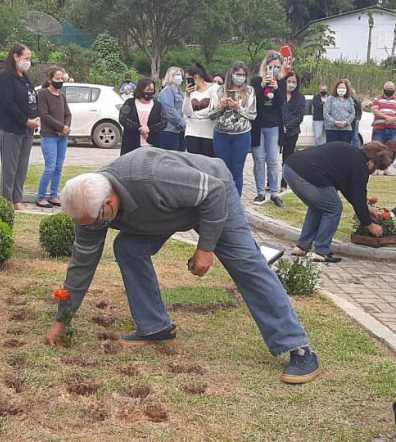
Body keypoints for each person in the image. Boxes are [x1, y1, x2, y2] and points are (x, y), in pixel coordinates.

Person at [45, 148, 322, 385]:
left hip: (214, 196)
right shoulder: (90, 211)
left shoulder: (150, 176)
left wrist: (205, 248)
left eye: (95, 221)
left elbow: (213, 191)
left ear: (108, 202)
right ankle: (155, 328)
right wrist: (62, 319)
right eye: (86, 224)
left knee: (248, 265)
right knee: (128, 248)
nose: (93, 228)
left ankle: (298, 349)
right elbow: (81, 264)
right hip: (167, 211)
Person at [285, 142, 392, 263]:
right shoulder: (360, 165)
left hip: (290, 167)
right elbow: (358, 194)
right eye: (376, 168)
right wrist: (370, 225)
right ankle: (321, 251)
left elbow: (350, 191)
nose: (373, 171)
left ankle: (301, 247)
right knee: (334, 208)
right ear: (371, 161)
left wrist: (368, 208)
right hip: (306, 174)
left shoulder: (350, 153)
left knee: (318, 207)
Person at [0, 43, 40, 211]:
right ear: (16, 57)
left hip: (27, 130)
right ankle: (6, 202)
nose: (28, 61)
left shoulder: (25, 78)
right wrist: (25, 120)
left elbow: (31, 100)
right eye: (26, 58)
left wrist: (35, 117)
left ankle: (17, 200)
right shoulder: (6, 77)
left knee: (22, 168)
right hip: (10, 129)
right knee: (10, 169)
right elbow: (8, 103)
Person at [211, 61, 257, 196]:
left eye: (243, 75)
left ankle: (236, 201)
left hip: (241, 135)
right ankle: (223, 200)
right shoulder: (219, 90)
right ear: (231, 74)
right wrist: (220, 107)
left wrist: (238, 107)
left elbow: (253, 115)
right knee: (223, 170)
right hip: (222, 134)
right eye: (237, 74)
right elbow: (211, 115)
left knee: (237, 170)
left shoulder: (249, 91)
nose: (240, 77)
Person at [251, 50, 286, 208]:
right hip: (258, 126)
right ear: (265, 66)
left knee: (273, 160)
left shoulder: (282, 82)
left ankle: (275, 193)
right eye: (271, 66)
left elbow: (281, 103)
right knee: (259, 160)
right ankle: (260, 192)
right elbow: (252, 100)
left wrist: (277, 88)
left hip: (273, 126)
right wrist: (262, 85)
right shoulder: (256, 80)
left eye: (277, 67)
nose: (273, 69)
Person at [36, 66, 72, 209]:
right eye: (57, 79)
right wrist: (60, 127)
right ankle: (41, 196)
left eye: (61, 79)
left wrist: (66, 128)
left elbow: (68, 114)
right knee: (50, 167)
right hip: (49, 136)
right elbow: (44, 115)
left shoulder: (62, 96)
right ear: (49, 79)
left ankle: (54, 195)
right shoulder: (43, 94)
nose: (60, 81)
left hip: (62, 137)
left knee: (58, 167)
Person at [118, 78, 166, 155]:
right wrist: (139, 128)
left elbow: (164, 122)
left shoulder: (158, 105)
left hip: (152, 145)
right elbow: (123, 118)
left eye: (152, 90)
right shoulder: (130, 103)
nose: (150, 92)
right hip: (131, 145)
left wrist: (149, 129)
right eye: (148, 90)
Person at [183, 63, 219, 157]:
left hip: (208, 131)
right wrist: (187, 95)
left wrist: (199, 116)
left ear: (196, 77)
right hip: (192, 131)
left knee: (208, 161)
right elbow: (187, 112)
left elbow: (212, 110)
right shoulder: (191, 92)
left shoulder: (214, 88)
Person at [280, 72, 306, 191]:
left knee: (287, 158)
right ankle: (270, 182)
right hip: (277, 130)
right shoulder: (278, 95)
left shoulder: (300, 98)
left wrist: (287, 127)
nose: (291, 84)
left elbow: (299, 116)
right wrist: (280, 126)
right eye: (289, 81)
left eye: (294, 82)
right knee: (273, 159)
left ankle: (284, 183)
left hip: (292, 132)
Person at [157, 66, 187, 151]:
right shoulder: (167, 91)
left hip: (181, 131)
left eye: (181, 75)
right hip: (170, 130)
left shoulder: (180, 92)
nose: (180, 77)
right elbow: (169, 110)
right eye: (177, 74)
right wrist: (181, 123)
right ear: (171, 76)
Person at [323, 79, 355, 144]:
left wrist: (346, 122)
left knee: (343, 150)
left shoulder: (350, 99)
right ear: (336, 88)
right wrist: (335, 122)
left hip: (345, 129)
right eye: (340, 87)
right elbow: (325, 112)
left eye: (343, 88)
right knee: (331, 149)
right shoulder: (330, 98)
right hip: (332, 129)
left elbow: (353, 113)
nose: (341, 89)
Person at [347, 80, 362, 148]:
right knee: (346, 138)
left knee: (355, 137)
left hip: (354, 120)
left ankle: (356, 152)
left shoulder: (354, 97)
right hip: (344, 120)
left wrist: (358, 118)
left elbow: (359, 109)